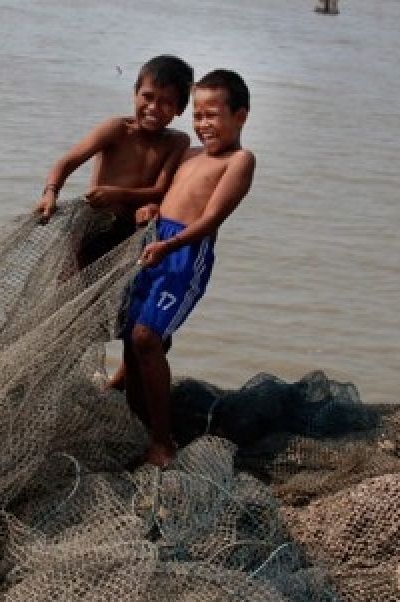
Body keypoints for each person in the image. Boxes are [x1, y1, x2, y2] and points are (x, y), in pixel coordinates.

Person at [121, 69, 257, 467]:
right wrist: (152, 210)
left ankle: (162, 443)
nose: (203, 125)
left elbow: (211, 219)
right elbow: (167, 195)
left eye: (213, 115)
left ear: (241, 116)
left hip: (185, 254)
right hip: (155, 244)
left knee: (147, 337)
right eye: (198, 115)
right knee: (132, 339)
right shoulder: (190, 153)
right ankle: (136, 424)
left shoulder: (240, 161)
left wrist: (171, 244)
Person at [35, 55, 194, 269]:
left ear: (180, 108)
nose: (153, 107)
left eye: (166, 102)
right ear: (135, 94)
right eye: (147, 97)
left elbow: (159, 189)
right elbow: (67, 162)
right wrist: (51, 192)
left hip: (133, 233)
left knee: (116, 295)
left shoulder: (177, 141)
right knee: (72, 285)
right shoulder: (117, 129)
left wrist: (117, 194)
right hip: (94, 226)